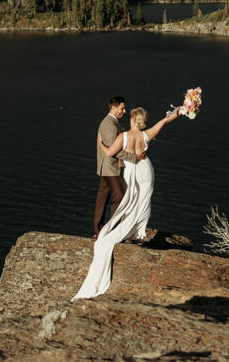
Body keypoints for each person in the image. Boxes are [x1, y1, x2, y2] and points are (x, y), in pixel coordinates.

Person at [74, 106, 179, 301]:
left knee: (130, 201)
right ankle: (139, 234)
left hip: (132, 171)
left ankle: (129, 231)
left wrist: (101, 145)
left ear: (132, 120)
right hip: (146, 170)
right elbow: (164, 122)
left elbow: (110, 153)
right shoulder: (146, 135)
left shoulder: (123, 137)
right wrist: (179, 112)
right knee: (144, 201)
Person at [94, 95, 140, 238]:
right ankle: (112, 230)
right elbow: (113, 150)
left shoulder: (112, 122)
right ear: (113, 108)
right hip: (110, 167)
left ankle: (98, 230)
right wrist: (134, 157)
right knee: (120, 196)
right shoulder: (108, 124)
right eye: (122, 108)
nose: (124, 111)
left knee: (102, 197)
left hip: (108, 167)